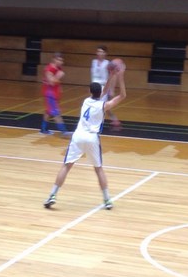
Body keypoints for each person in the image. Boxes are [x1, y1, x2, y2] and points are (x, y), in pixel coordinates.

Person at [43, 66, 126, 210]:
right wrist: (119, 76)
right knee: (98, 169)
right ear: (100, 93)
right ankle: (107, 200)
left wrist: (111, 75)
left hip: (78, 136)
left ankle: (52, 195)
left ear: (90, 92)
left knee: (66, 166)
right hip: (92, 138)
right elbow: (122, 95)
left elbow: (103, 91)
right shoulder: (103, 106)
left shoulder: (86, 101)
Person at [90, 45, 121, 131]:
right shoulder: (93, 62)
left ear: (105, 53)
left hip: (103, 87)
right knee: (103, 107)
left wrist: (112, 90)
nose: (100, 53)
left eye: (102, 52)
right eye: (99, 51)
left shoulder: (108, 63)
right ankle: (115, 121)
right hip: (94, 87)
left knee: (101, 107)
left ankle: (99, 125)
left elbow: (114, 76)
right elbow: (92, 75)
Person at [40, 52, 71, 137]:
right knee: (56, 112)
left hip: (54, 93)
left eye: (62, 60)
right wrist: (59, 75)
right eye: (59, 60)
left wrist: (60, 87)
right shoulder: (49, 69)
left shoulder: (58, 68)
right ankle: (64, 131)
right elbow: (51, 82)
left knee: (48, 112)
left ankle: (43, 129)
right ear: (54, 59)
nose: (61, 62)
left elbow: (56, 82)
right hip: (49, 93)